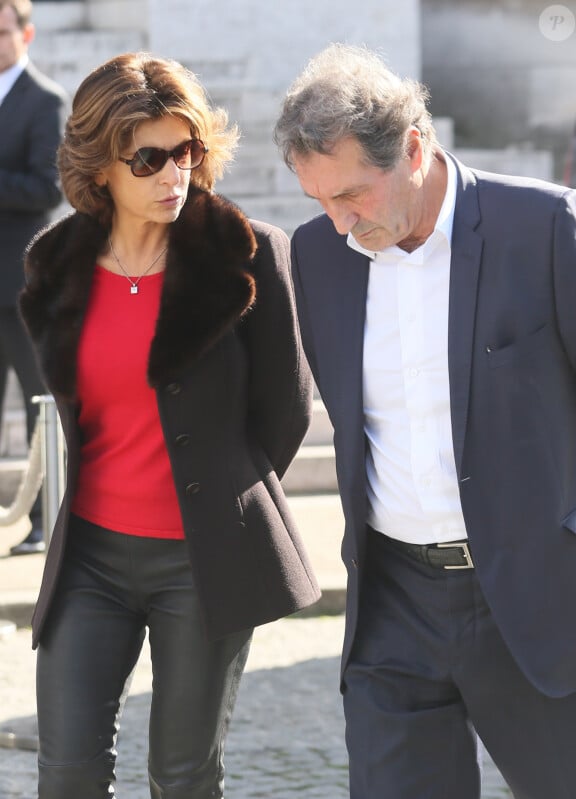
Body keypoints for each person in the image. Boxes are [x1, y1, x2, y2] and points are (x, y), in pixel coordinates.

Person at [274, 43, 576, 799]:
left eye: (352, 195)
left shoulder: (542, 227)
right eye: (319, 201)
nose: (340, 223)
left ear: (414, 146)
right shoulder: (318, 255)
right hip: (393, 607)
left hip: (538, 600)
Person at [19, 51, 320, 799]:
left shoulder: (250, 257)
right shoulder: (54, 266)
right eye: (149, 157)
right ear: (99, 168)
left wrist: (217, 498)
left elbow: (284, 413)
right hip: (90, 559)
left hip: (204, 558)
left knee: (183, 778)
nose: (173, 173)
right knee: (66, 774)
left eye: (185, 150)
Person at [0, 0, 67, 554]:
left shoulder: (45, 100)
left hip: (21, 285)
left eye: (1, 33)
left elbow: (48, 189)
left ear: (27, 34)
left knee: (38, 404)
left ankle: (46, 523)